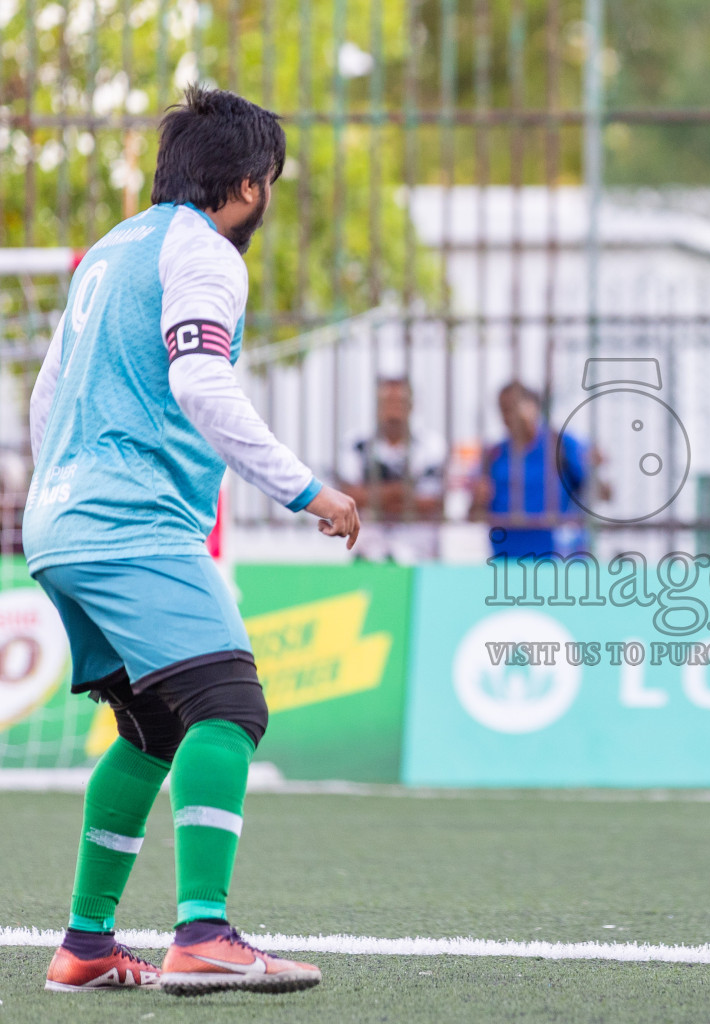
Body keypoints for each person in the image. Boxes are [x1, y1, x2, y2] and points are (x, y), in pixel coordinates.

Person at [24, 85, 358, 996]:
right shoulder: (204, 254)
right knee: (230, 704)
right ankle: (203, 933)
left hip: (58, 517)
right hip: (128, 520)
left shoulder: (112, 249)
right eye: (273, 186)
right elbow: (203, 384)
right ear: (248, 185)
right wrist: (307, 490)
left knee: (152, 726)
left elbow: (46, 397)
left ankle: (86, 946)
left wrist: (58, 498)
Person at [474, 381, 600, 559]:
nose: (508, 416)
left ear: (534, 406)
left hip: (560, 562)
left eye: (513, 407)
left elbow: (600, 492)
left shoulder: (562, 445)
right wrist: (478, 500)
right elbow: (474, 513)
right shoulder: (493, 454)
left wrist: (595, 468)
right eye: (503, 410)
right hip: (508, 562)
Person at [339, 376, 446, 563]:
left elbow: (432, 503)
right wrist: (400, 493)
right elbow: (347, 498)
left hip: (418, 553)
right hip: (367, 551)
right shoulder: (356, 443)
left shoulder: (432, 446)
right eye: (388, 402)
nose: (394, 409)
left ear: (412, 406)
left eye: (400, 402)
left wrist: (373, 496)